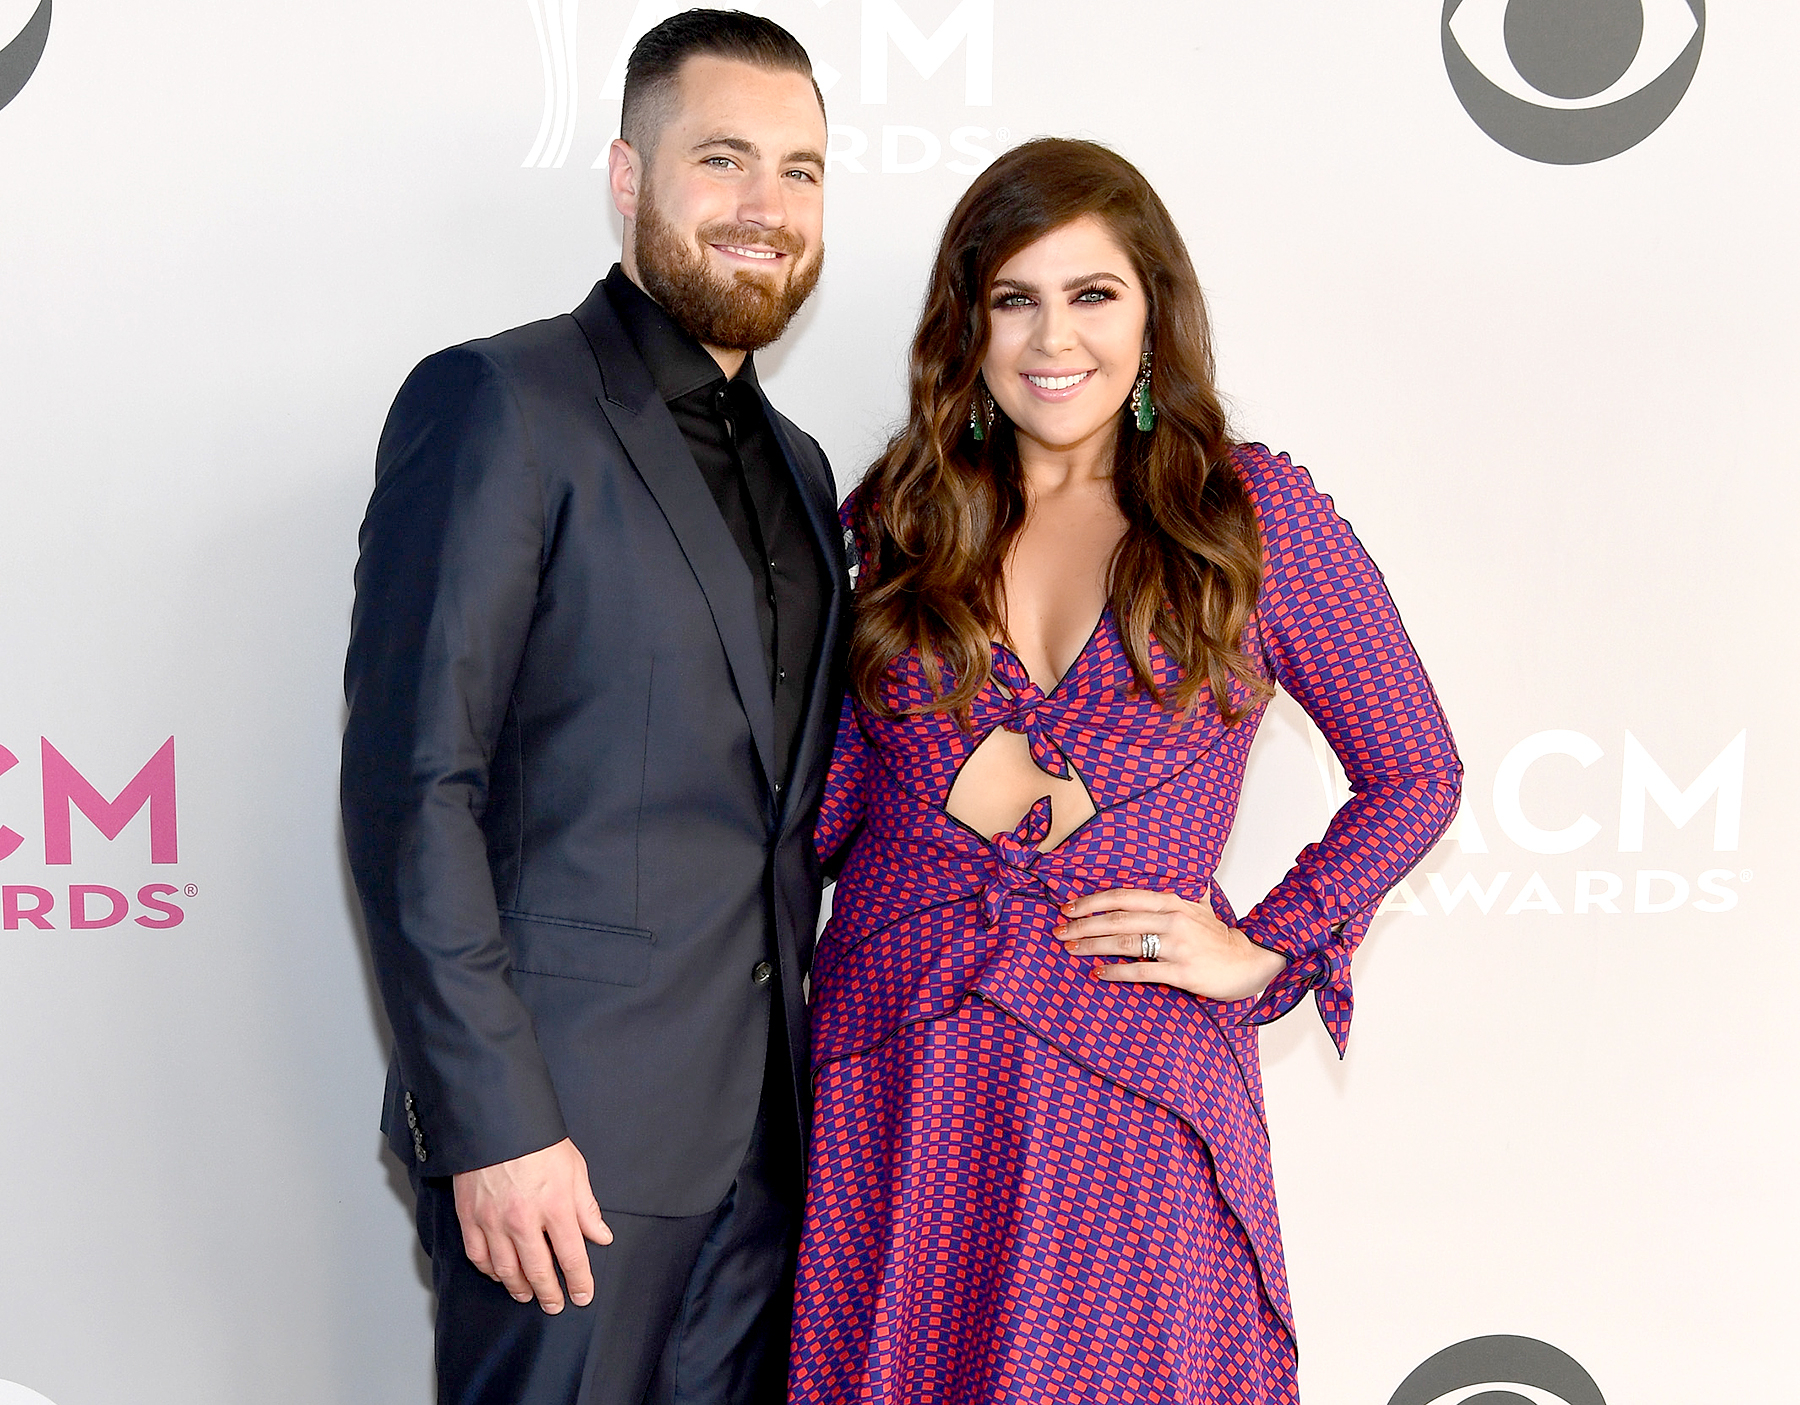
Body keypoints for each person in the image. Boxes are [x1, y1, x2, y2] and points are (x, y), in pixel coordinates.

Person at [790, 138, 1462, 1404]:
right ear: (969, 327)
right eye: (1015, 297)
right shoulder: (893, 524)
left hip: (1131, 1098)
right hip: (900, 1084)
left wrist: (1269, 943)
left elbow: (1415, 770)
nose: (1056, 337)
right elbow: (809, 810)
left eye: (1093, 293)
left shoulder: (1246, 518)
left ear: (1153, 311)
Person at [340, 12, 846, 1404]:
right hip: (560, 1154)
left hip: (766, 1154)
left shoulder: (806, 472)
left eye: (801, 172)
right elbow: (410, 784)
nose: (766, 206)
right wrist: (495, 1124)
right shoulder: (499, 404)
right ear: (628, 177)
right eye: (725, 159)